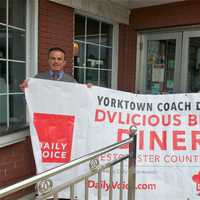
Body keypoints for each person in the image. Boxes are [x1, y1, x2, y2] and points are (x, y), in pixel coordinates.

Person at [20, 47, 77, 200]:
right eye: (53, 58)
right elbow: (30, 101)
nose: (56, 62)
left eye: (59, 59)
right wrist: (25, 90)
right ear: (48, 60)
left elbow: (79, 103)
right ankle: (45, 191)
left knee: (62, 158)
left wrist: (89, 90)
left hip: (64, 128)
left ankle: (63, 191)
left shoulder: (71, 81)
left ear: (64, 62)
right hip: (43, 128)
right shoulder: (38, 79)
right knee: (44, 158)